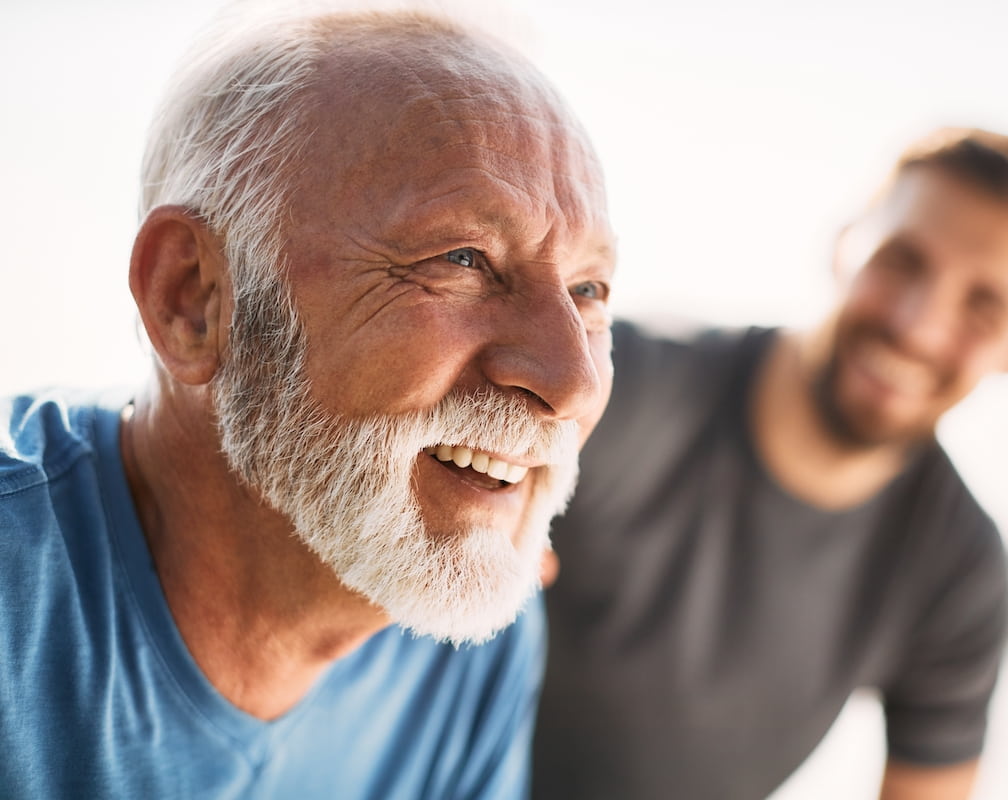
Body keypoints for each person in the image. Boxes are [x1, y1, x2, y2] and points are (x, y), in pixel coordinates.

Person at [0, 6, 616, 799]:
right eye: (462, 259)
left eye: (588, 291)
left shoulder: (466, 635)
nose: (574, 383)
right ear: (192, 299)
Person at [533, 128, 1008, 800]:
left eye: (982, 306)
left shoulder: (958, 570)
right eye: (902, 260)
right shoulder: (617, 388)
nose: (919, 325)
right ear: (844, 246)